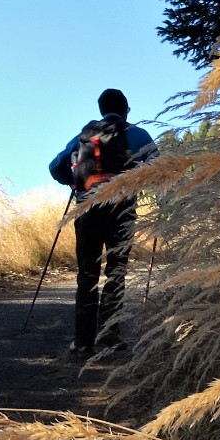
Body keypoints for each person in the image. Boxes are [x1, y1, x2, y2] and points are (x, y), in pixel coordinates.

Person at [49, 88, 157, 355]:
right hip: (121, 210)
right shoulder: (139, 135)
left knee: (87, 275)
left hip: (87, 209)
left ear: (101, 110)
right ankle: (109, 335)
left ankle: (82, 341)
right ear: (126, 109)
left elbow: (54, 166)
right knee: (115, 272)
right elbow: (158, 166)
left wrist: (75, 183)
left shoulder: (83, 137)